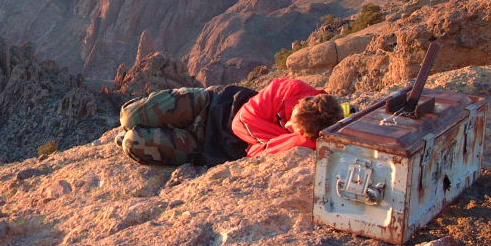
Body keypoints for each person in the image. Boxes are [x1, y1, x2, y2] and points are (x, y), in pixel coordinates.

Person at [116, 78, 343, 167]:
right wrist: (278, 138)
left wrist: (284, 138)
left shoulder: (314, 138)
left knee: (132, 142)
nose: (289, 127)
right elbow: (241, 123)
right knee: (128, 115)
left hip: (203, 145)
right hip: (209, 104)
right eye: (291, 121)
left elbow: (257, 153)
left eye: (295, 131)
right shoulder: (288, 89)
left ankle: (135, 134)